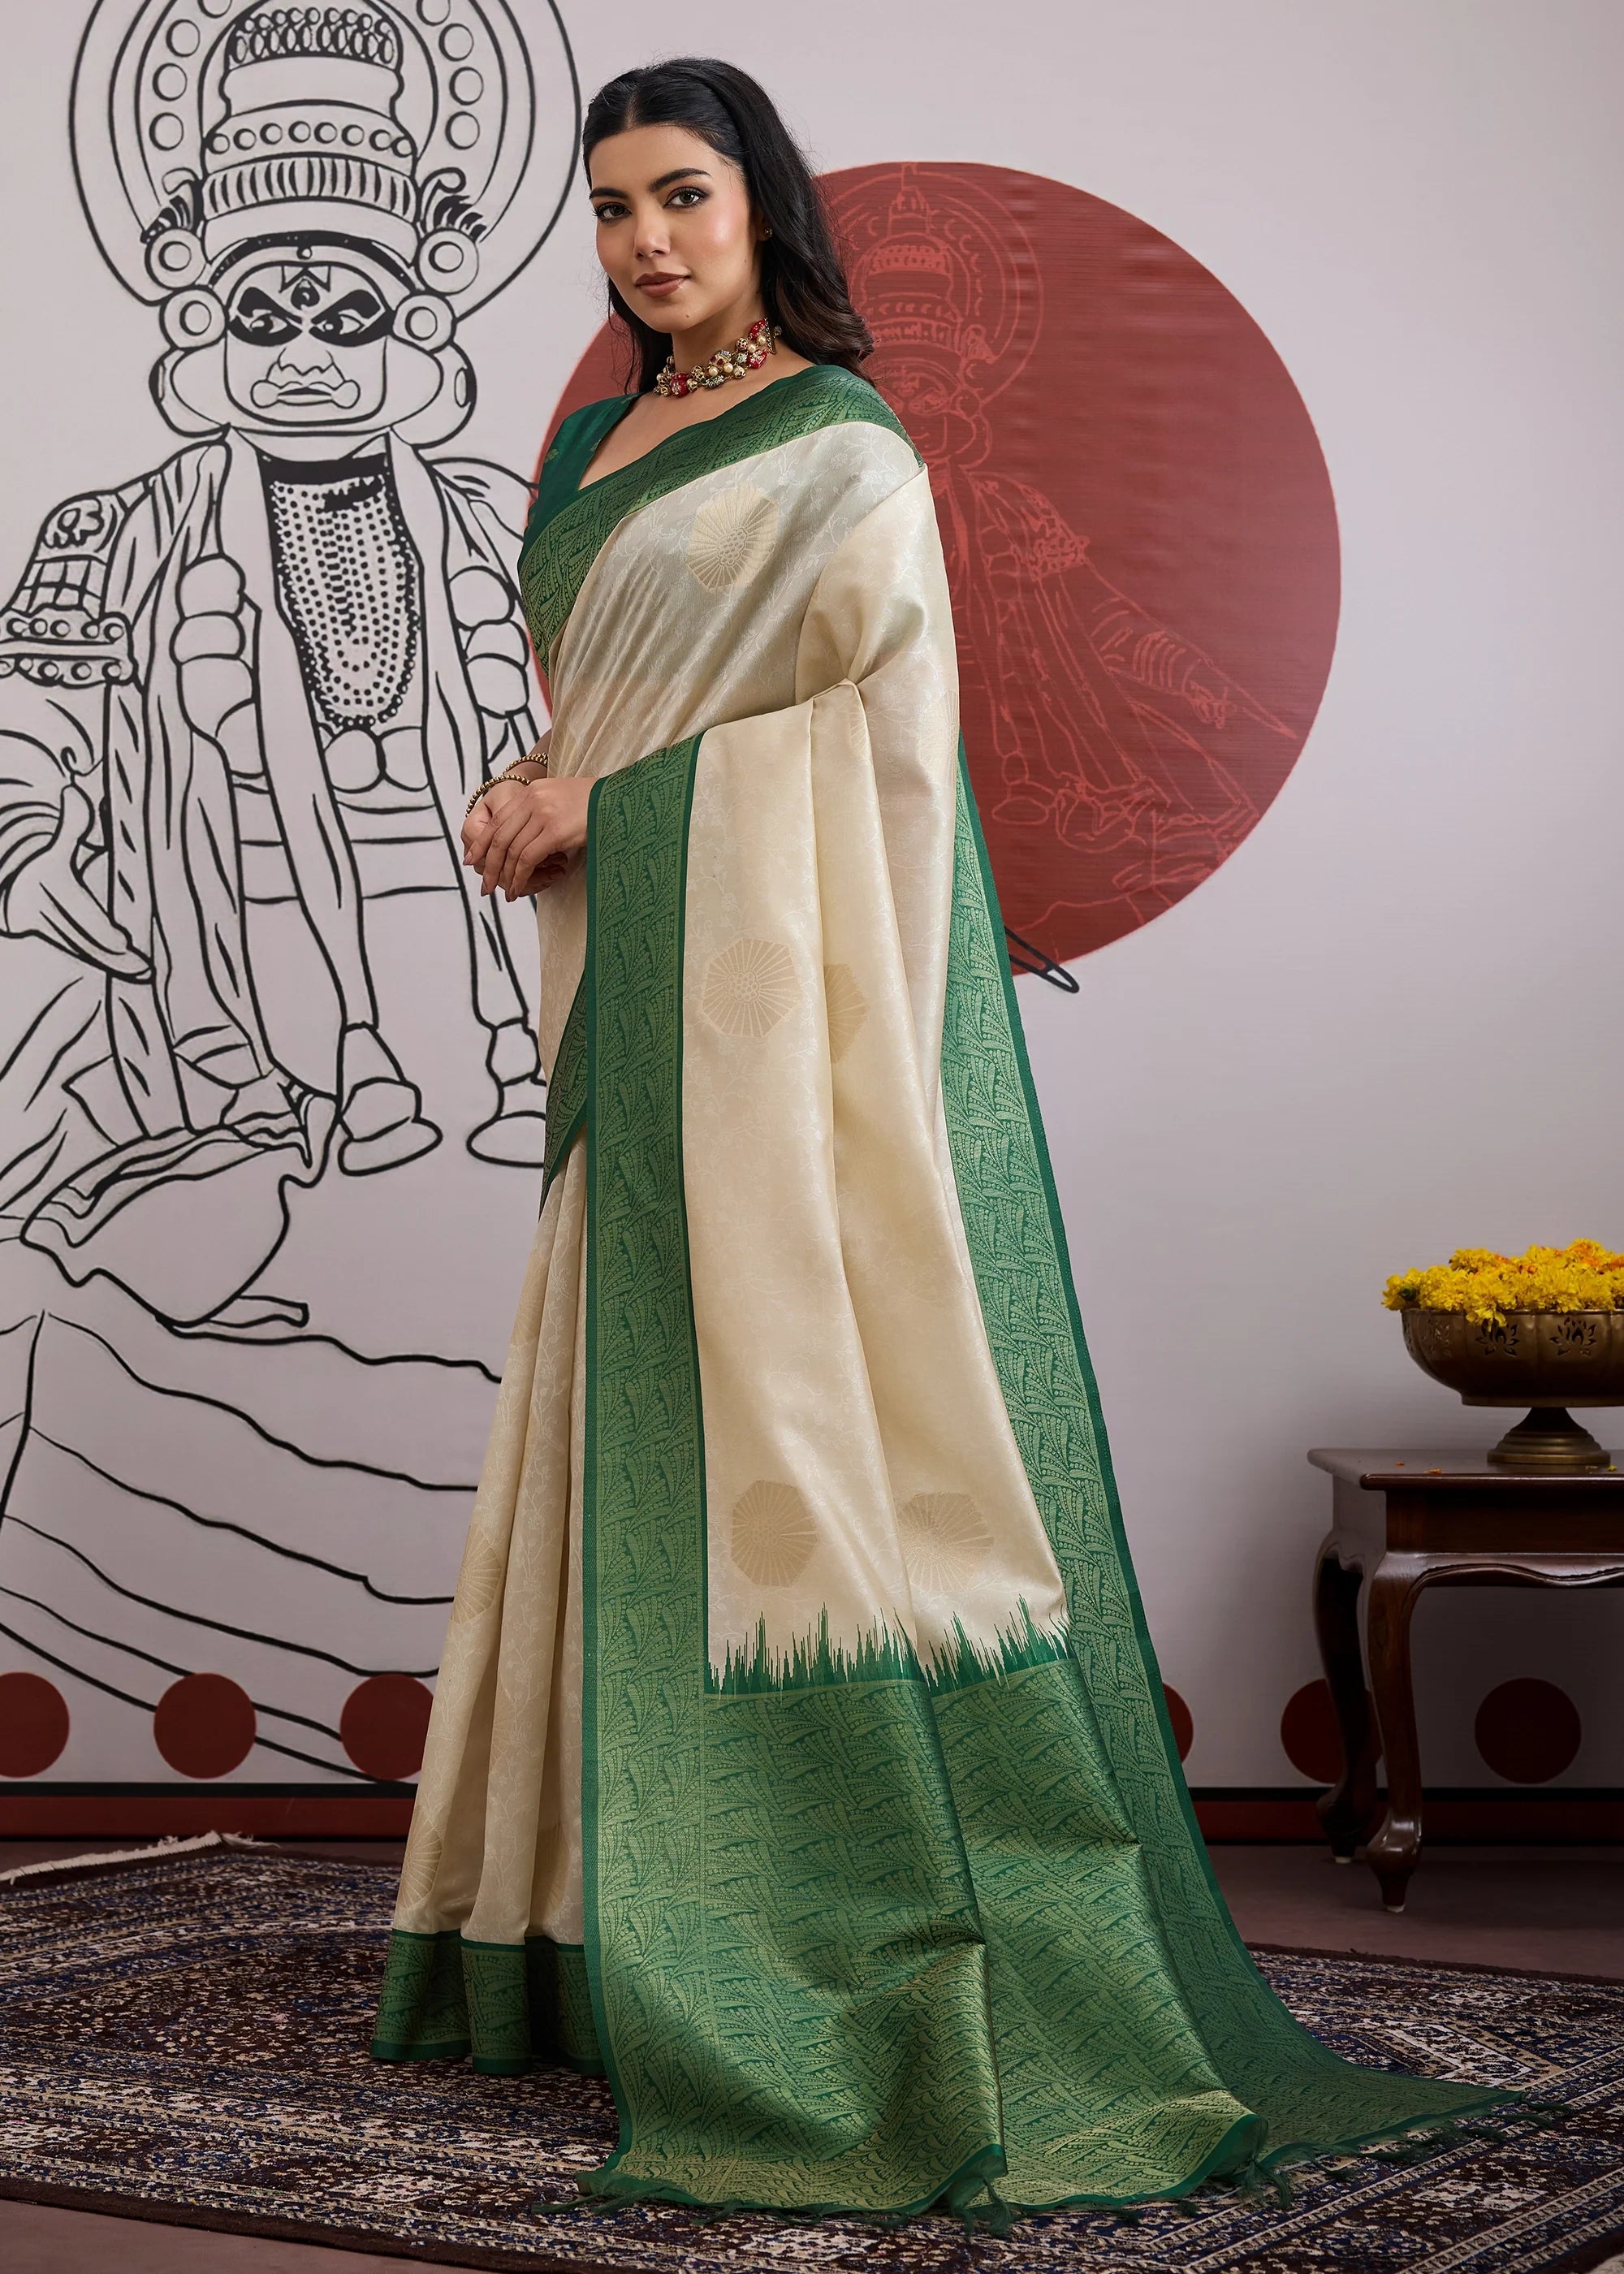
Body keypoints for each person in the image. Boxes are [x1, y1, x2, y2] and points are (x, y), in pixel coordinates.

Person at [371, 57, 1502, 2220]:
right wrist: (539, 785)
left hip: (761, 1037)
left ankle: (812, 1936)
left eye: (682, 196)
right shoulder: (598, 448)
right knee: (618, 1427)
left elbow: (878, 747)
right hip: (635, 1006)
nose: (645, 242)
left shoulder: (843, 448)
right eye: (611, 208)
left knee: (794, 1439)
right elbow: (619, 704)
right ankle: (589, 1932)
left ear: (761, 205)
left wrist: (617, 807)